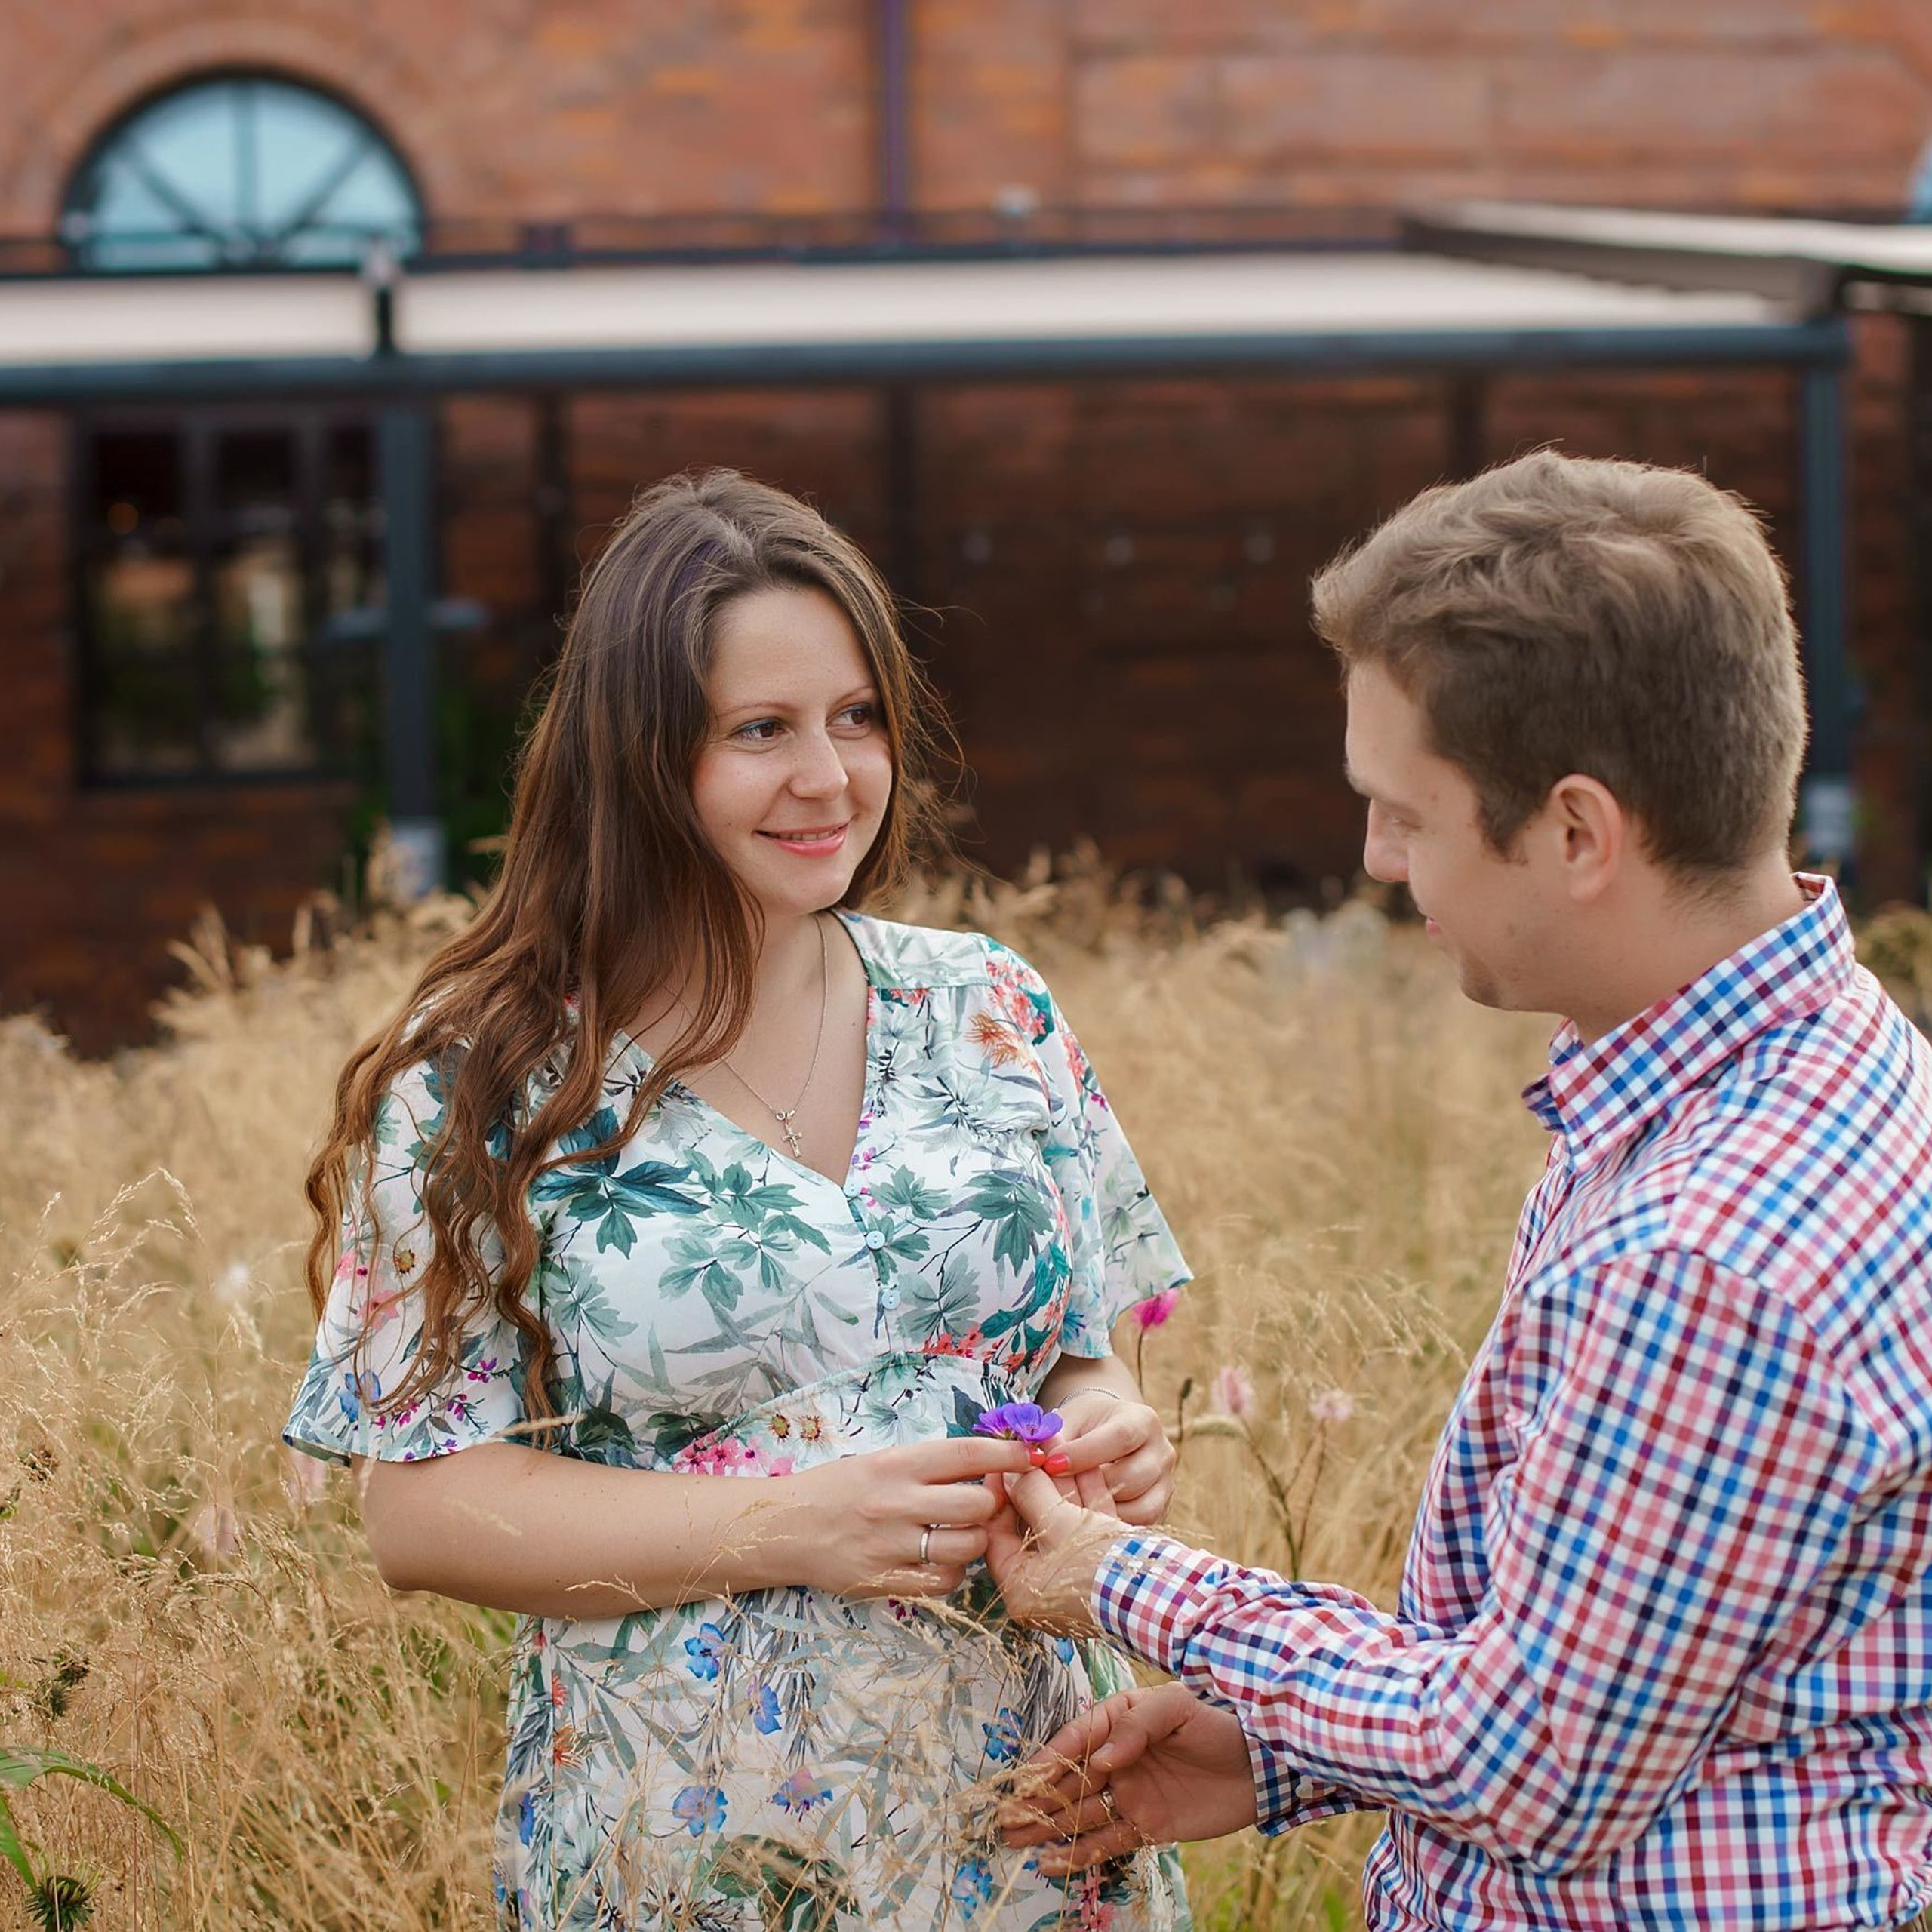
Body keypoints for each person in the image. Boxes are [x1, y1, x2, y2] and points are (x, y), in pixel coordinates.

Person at [983, 451, 1932, 1930]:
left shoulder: (1708, 1249)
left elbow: (1532, 1768)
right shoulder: (1798, 1065)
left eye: (1404, 813)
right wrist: (1285, 1750)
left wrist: (1124, 1577)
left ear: (1573, 832)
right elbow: (1642, 1668)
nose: (1372, 858)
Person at [281, 471, 1193, 1931]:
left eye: (855, 717)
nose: (828, 777)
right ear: (637, 758)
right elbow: (421, 1515)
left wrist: (1104, 1437)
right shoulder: (484, 1082)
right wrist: (778, 1527)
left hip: (1044, 1810)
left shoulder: (991, 1008)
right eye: (758, 731)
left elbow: (1073, 1350)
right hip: (696, 1840)